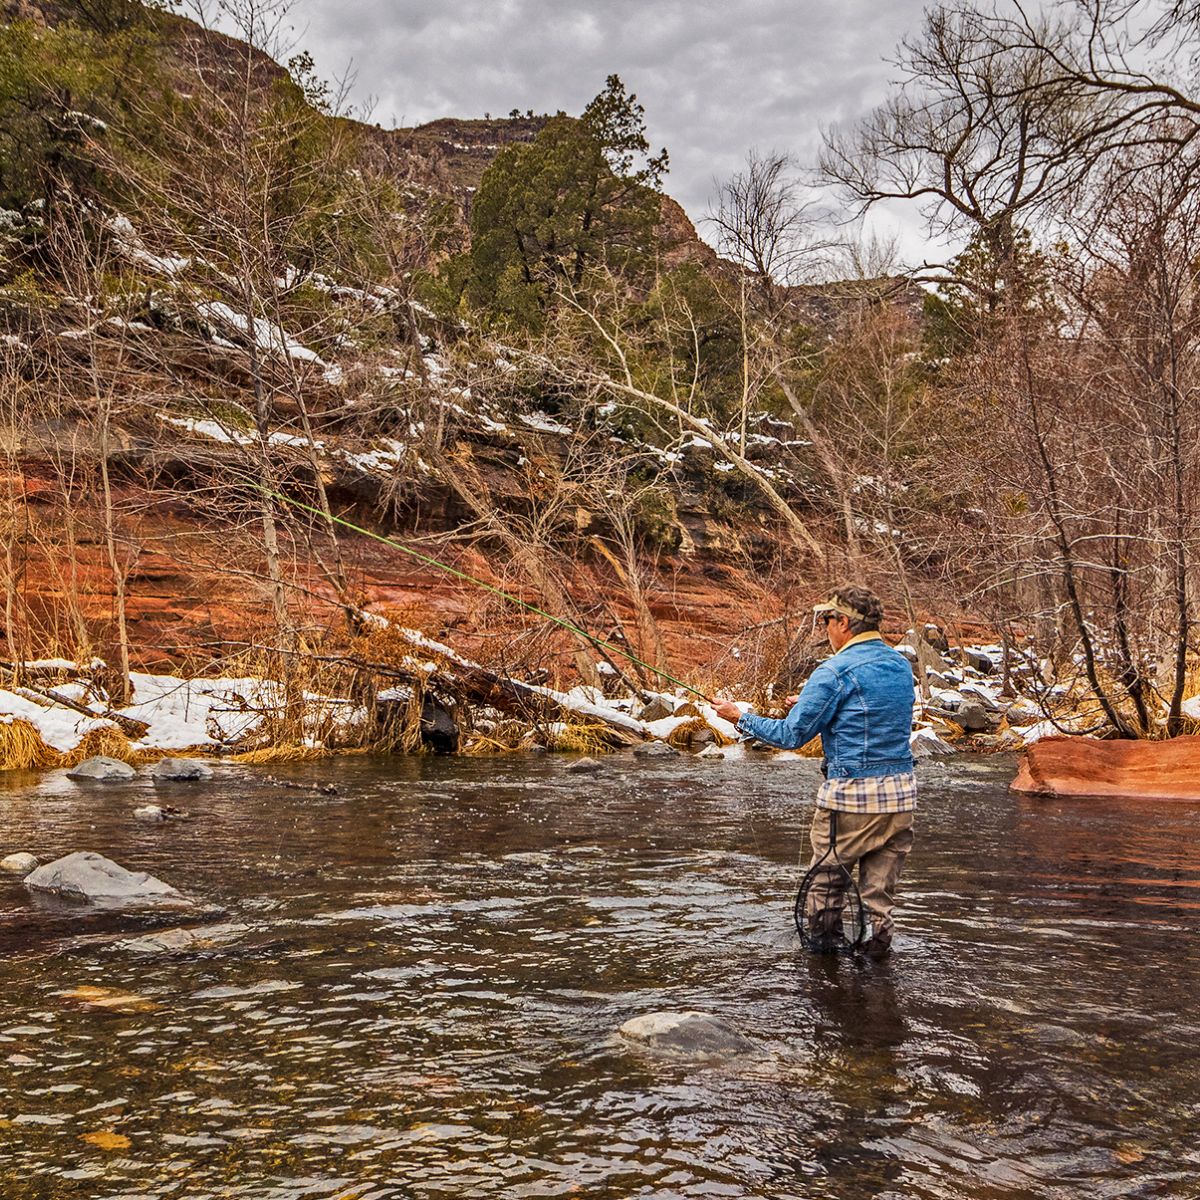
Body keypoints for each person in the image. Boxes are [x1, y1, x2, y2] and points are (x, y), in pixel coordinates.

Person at [714, 584, 916, 957]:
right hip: (902, 797)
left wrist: (739, 717)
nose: (825, 628)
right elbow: (871, 710)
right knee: (880, 894)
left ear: (843, 622)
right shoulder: (900, 666)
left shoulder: (834, 670)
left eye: (826, 620)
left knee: (825, 884)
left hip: (852, 799)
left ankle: (824, 972)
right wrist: (811, 700)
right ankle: (878, 971)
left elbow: (791, 736)